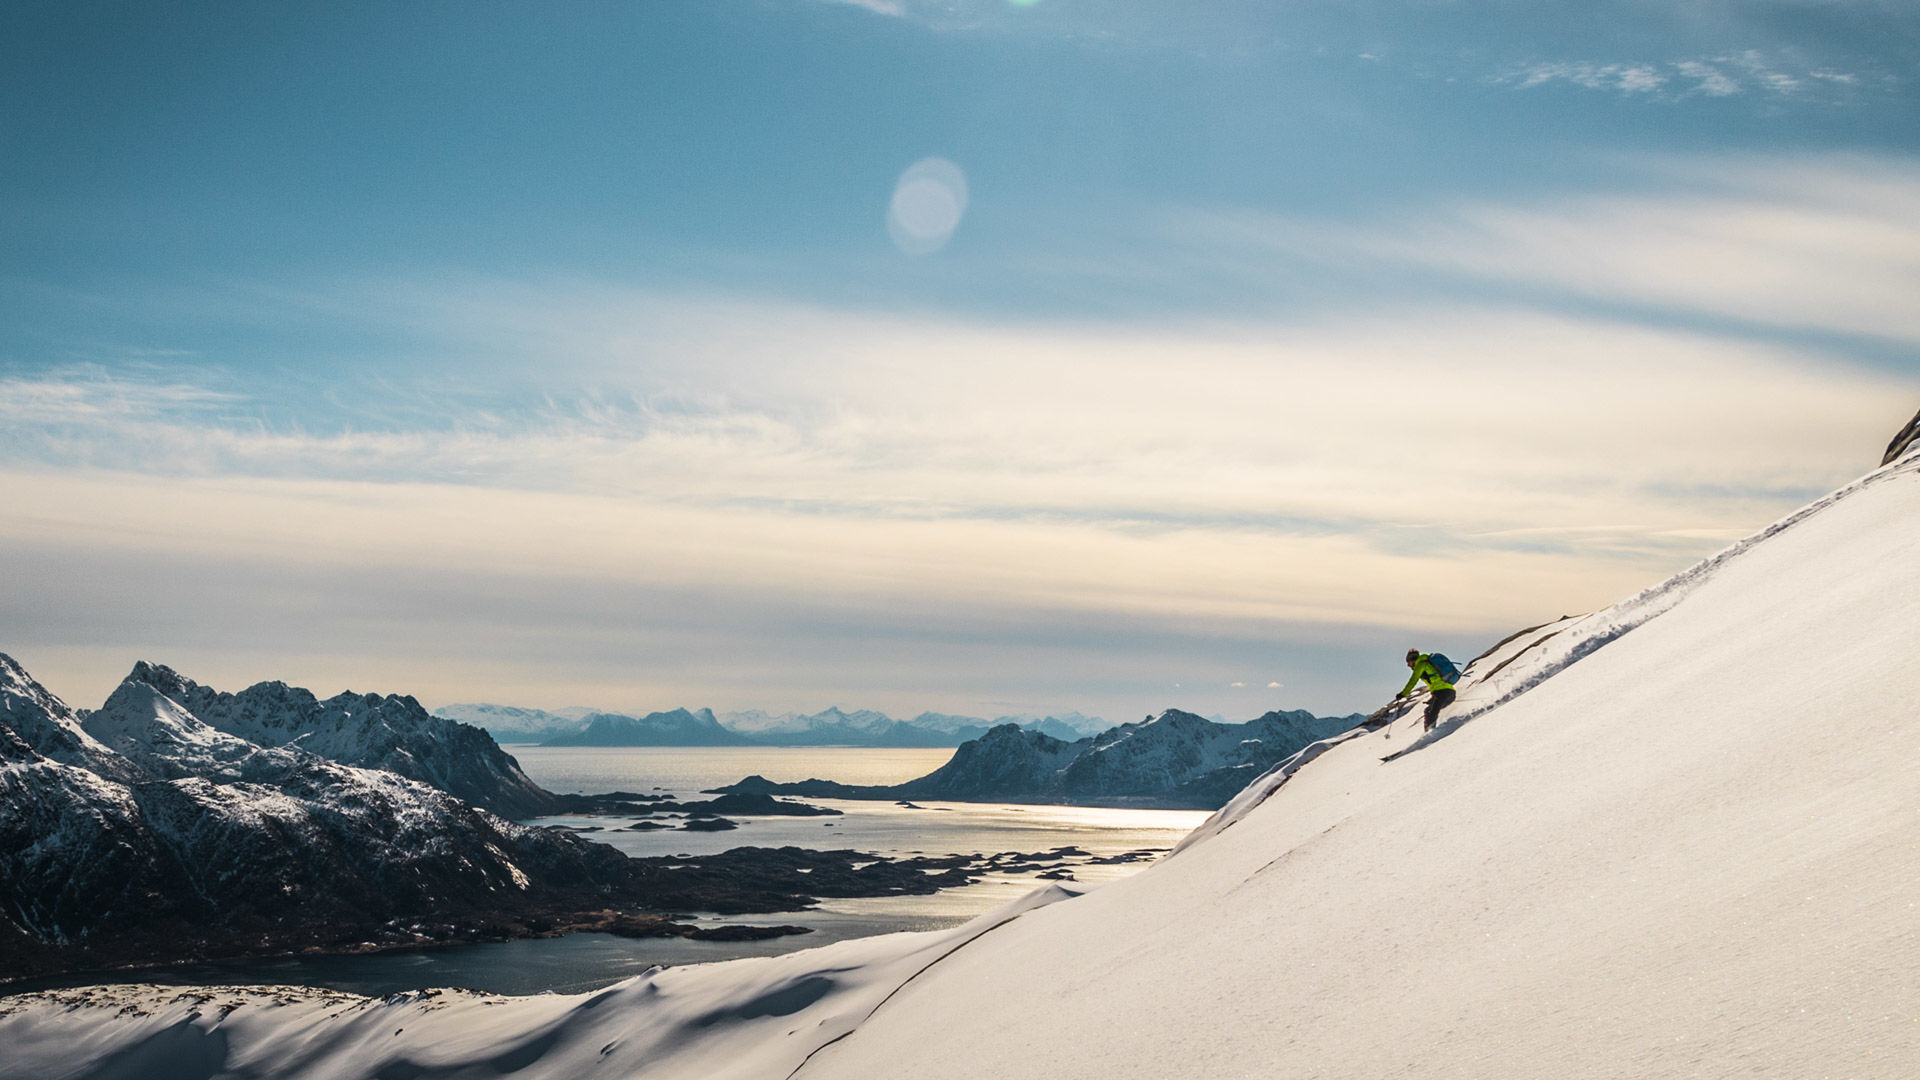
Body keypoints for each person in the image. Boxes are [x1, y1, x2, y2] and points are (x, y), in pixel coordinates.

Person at [1398, 648, 1456, 731]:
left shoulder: (1421, 665)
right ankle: (1436, 730)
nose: (1408, 665)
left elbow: (1413, 681)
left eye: (1408, 662)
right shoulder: (1427, 663)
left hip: (1442, 692)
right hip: (1450, 692)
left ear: (1412, 660)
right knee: (1430, 710)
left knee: (1430, 712)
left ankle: (1431, 734)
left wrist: (1403, 694)